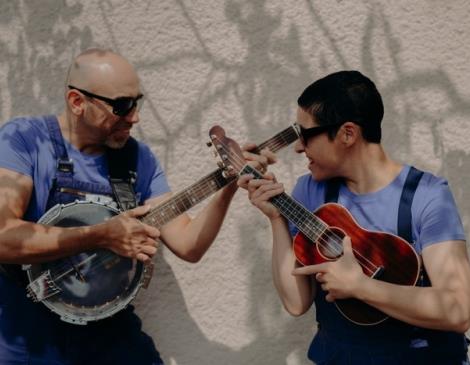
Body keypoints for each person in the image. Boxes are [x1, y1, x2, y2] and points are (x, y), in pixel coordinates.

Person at [0, 48, 270, 364]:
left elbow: (188, 245)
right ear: (77, 102)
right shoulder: (25, 141)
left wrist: (228, 186)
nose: (135, 116)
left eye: (136, 102)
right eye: (122, 106)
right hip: (27, 337)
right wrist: (101, 235)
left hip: (110, 335)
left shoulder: (135, 158)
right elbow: (4, 237)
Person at [240, 70, 470, 364]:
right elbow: (296, 302)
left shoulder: (425, 196)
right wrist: (276, 219)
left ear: (348, 133)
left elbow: (458, 309)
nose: (298, 148)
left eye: (306, 135)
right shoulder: (310, 192)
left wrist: (360, 286)